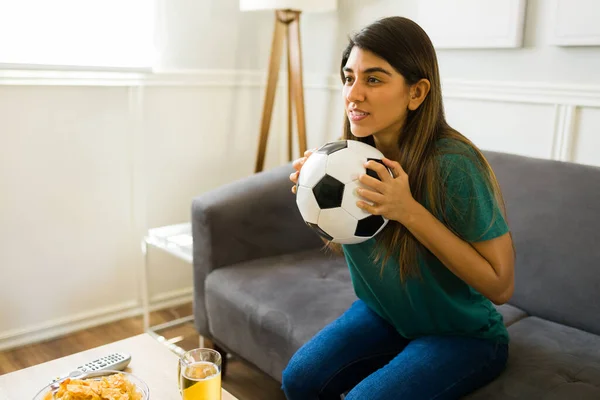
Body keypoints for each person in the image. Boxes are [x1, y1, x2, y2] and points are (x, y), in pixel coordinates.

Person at [284, 16, 515, 400]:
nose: (353, 94)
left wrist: (406, 209)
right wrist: (314, 196)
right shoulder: (349, 160)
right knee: (300, 380)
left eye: (373, 79)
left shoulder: (454, 164)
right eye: (348, 77)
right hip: (385, 314)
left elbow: (501, 285)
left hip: (463, 335)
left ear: (417, 93)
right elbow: (361, 247)